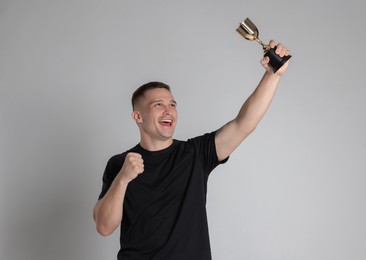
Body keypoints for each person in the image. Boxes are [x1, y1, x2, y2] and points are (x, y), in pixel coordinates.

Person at [93, 40, 290, 259]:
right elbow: (104, 226)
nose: (169, 111)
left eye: (173, 105)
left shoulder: (195, 154)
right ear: (138, 116)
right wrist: (122, 179)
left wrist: (272, 76)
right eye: (158, 105)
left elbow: (244, 124)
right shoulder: (120, 164)